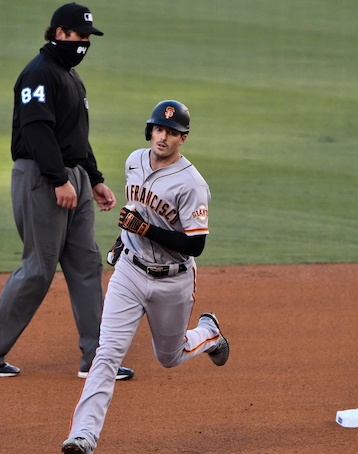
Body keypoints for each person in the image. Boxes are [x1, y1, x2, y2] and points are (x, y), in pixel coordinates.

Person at [0, 3, 133, 380]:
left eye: (88, 37)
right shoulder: (38, 75)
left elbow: (75, 137)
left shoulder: (70, 77)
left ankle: (97, 358)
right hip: (42, 177)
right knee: (38, 268)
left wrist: (95, 177)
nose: (84, 43)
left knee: (86, 263)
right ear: (58, 33)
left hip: (75, 178)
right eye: (78, 36)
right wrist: (58, 180)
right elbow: (37, 131)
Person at [61, 100, 230, 454]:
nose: (162, 137)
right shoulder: (134, 161)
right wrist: (124, 240)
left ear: (183, 138)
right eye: (158, 129)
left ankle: (209, 334)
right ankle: (83, 437)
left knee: (170, 356)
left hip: (173, 279)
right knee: (105, 353)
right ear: (149, 130)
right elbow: (134, 214)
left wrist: (147, 230)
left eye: (171, 132)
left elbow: (195, 245)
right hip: (130, 273)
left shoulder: (192, 184)